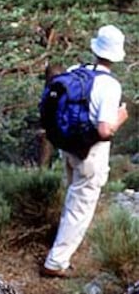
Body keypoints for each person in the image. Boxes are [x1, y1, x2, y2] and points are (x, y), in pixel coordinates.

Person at [41, 25, 129, 278]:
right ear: (116, 55)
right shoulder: (110, 86)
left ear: (96, 49)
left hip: (68, 147)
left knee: (73, 196)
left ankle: (59, 246)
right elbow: (104, 130)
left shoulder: (75, 71)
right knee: (80, 207)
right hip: (90, 153)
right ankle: (56, 263)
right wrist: (121, 117)